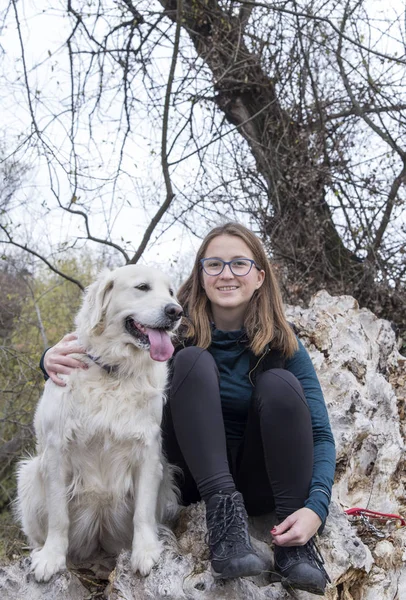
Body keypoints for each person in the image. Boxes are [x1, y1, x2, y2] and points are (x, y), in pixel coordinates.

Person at [41, 222, 335, 595]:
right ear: (200, 275)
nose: (226, 274)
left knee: (280, 384)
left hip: (262, 482)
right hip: (200, 484)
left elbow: (321, 434)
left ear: (260, 277)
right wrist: (48, 359)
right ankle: (226, 528)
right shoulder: (169, 335)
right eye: (214, 264)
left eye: (239, 264)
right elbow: (109, 364)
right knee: (193, 361)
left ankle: (296, 549)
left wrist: (316, 508)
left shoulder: (283, 343)